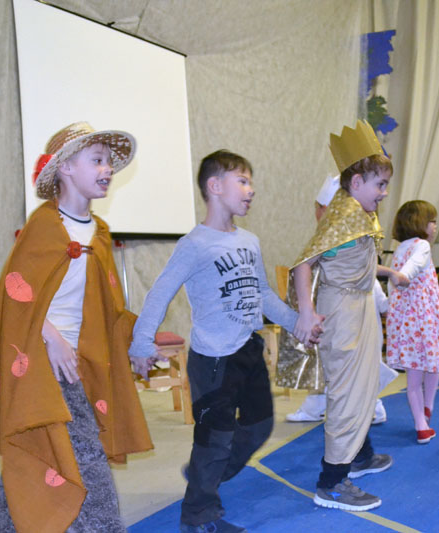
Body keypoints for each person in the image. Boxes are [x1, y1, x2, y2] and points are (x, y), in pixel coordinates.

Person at [0, 122, 153, 532]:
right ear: (66, 168)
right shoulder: (45, 225)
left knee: (37, 452)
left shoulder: (99, 233)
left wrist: (135, 343)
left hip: (81, 362)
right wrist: (52, 339)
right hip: (42, 364)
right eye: (97, 160)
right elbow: (16, 296)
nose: (107, 169)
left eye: (109, 162)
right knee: (85, 459)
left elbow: (108, 306)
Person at [129, 150, 319, 533]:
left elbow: (262, 294)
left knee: (260, 426)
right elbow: (160, 292)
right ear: (215, 187)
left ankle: (206, 471)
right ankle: (198, 516)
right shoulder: (195, 244)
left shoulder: (249, 240)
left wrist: (297, 322)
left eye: (251, 182)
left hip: (248, 351)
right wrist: (141, 342)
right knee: (215, 440)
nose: (251, 189)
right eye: (243, 181)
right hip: (213, 359)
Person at [292, 120, 402, 512]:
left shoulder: (357, 211)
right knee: (346, 395)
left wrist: (389, 274)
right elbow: (303, 264)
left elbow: (357, 261)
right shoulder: (344, 217)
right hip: (343, 311)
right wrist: (307, 312)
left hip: (359, 306)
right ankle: (332, 483)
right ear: (356, 182)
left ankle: (356, 457)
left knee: (363, 389)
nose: (384, 192)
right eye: (380, 184)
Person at [281, 175, 396, 425]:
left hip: (353, 313)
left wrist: (385, 301)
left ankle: (369, 408)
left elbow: (365, 272)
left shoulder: (349, 233)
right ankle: (321, 406)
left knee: (354, 364)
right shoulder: (330, 236)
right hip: (334, 312)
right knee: (330, 363)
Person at [385, 200, 439, 445]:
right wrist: (404, 276)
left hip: (406, 320)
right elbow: (414, 266)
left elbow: (393, 286)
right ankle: (425, 414)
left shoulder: (399, 249)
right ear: (419, 223)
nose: (435, 226)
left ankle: (422, 420)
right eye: (432, 221)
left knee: (414, 378)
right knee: (433, 364)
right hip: (425, 318)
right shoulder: (422, 245)